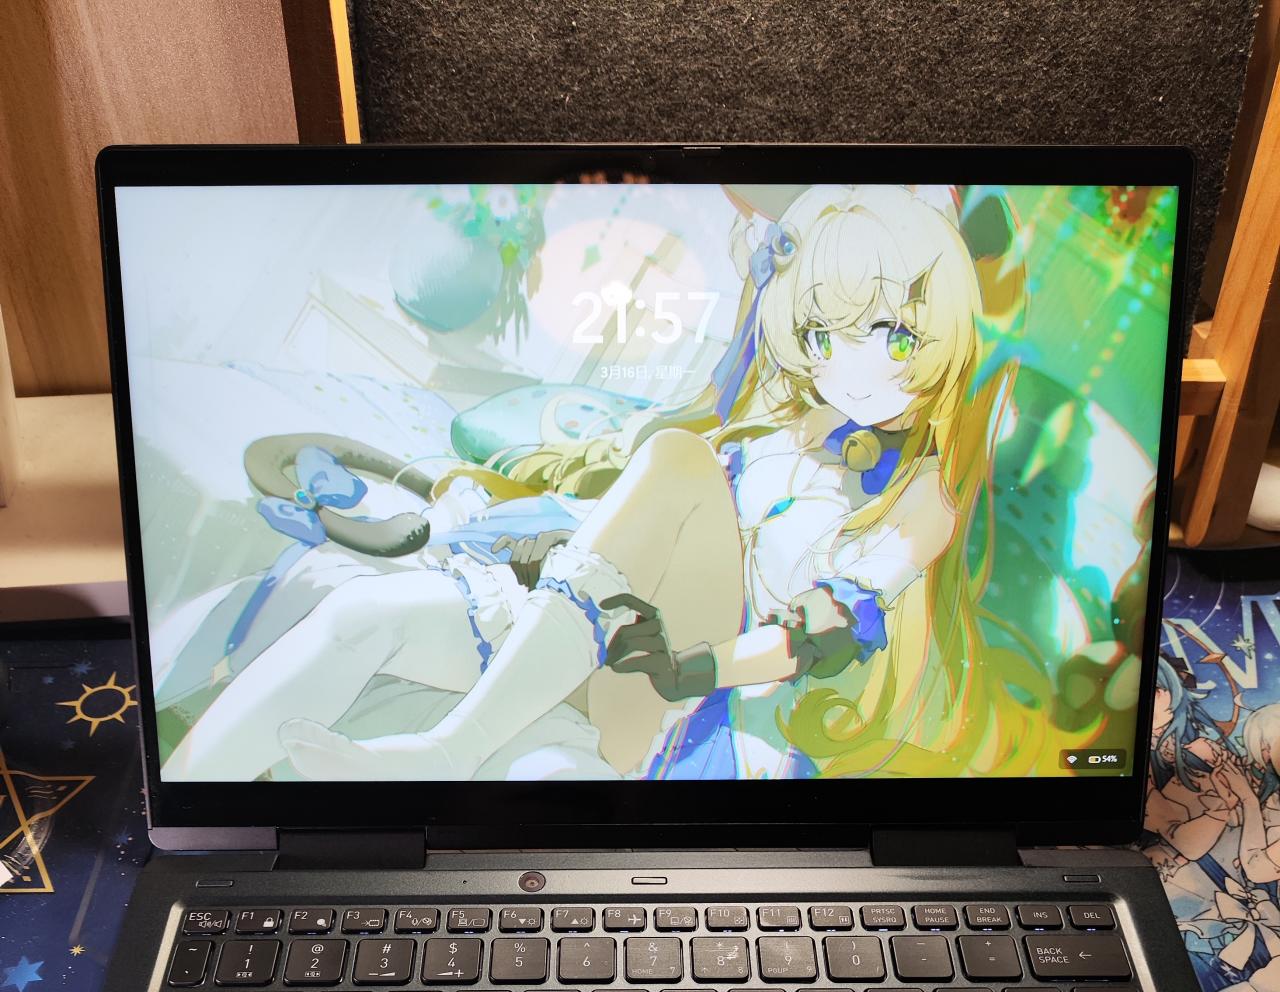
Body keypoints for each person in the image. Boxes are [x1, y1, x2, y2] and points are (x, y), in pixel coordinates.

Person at [165, 183, 1043, 785]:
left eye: (892, 336)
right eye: (824, 335)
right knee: (362, 615)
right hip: (593, 628)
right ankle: (186, 815)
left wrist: (690, 666)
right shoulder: (779, 417)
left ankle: (451, 746)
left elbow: (822, 631)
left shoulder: (923, 495)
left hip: (683, 693)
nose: (850, 365)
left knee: (678, 461)